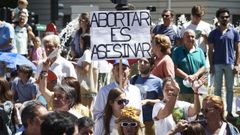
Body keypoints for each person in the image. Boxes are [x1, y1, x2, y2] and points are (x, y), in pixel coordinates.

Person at [208, 8, 240, 117]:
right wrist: (211, 65)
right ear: (218, 18)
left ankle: (230, 112)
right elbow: (210, 50)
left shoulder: (234, 32)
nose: (225, 19)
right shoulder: (213, 33)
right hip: (217, 64)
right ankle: (219, 112)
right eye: (222, 17)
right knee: (217, 90)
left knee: (230, 89)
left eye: (227, 17)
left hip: (230, 64)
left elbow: (238, 49)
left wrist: (237, 64)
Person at [172, 29, 206, 103]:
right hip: (182, 90)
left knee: (196, 111)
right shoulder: (177, 51)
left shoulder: (199, 51)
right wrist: (187, 77)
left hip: (197, 89)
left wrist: (195, 75)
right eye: (187, 36)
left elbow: (203, 67)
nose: (190, 38)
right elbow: (174, 68)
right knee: (183, 112)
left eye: (192, 36)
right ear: (183, 39)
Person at [130, 58, 162, 135]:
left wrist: (148, 101)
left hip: (150, 121)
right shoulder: (133, 79)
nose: (142, 63)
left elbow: (162, 102)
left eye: (145, 62)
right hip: (135, 121)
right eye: (140, 61)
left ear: (151, 66)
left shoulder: (158, 81)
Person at [75, 34, 98, 110]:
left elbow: (85, 69)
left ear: (85, 42)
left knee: (85, 110)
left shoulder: (87, 52)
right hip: (89, 88)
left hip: (85, 87)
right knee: (88, 110)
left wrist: (74, 65)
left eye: (81, 41)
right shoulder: (92, 53)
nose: (79, 43)